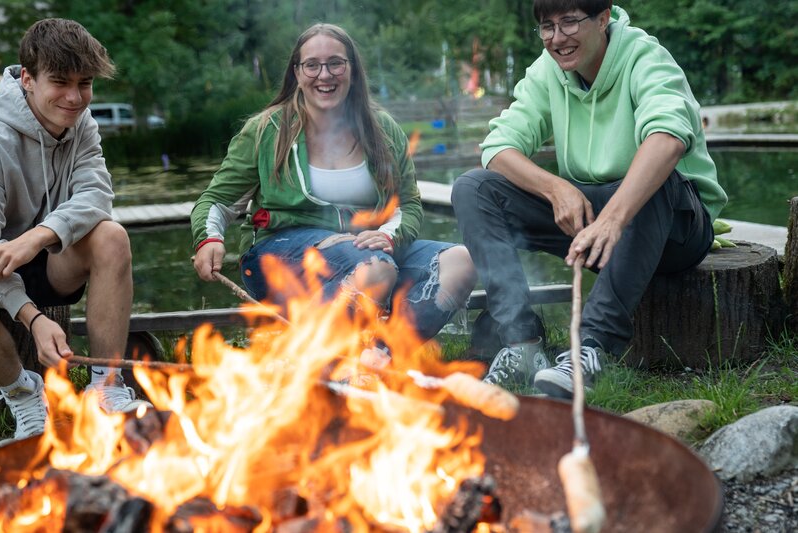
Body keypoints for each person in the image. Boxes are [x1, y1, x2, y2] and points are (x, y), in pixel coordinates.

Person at [451, 0, 726, 397]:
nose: (557, 38)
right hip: (591, 222)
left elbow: (668, 138)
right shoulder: (548, 71)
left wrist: (613, 219)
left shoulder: (645, 57)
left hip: (674, 226)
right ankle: (522, 345)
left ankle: (590, 348)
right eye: (547, 26)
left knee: (652, 178)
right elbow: (497, 147)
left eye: (569, 22)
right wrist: (556, 188)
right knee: (474, 188)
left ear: (602, 19)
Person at [0, 18, 150, 445]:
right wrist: (33, 318)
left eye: (85, 83)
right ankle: (24, 396)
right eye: (60, 82)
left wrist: (37, 238)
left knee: (111, 236)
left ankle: (105, 387)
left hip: (39, 255)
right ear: (27, 78)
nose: (74, 97)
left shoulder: (81, 124)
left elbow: (96, 195)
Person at [192, 23, 477, 356]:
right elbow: (217, 201)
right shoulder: (266, 130)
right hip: (281, 257)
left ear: (352, 70)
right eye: (312, 65)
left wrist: (389, 236)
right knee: (376, 269)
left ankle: (379, 359)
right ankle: (316, 358)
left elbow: (408, 204)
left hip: (370, 252)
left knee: (462, 262)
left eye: (335, 63)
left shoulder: (382, 129)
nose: (324, 75)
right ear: (297, 73)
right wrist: (209, 238)